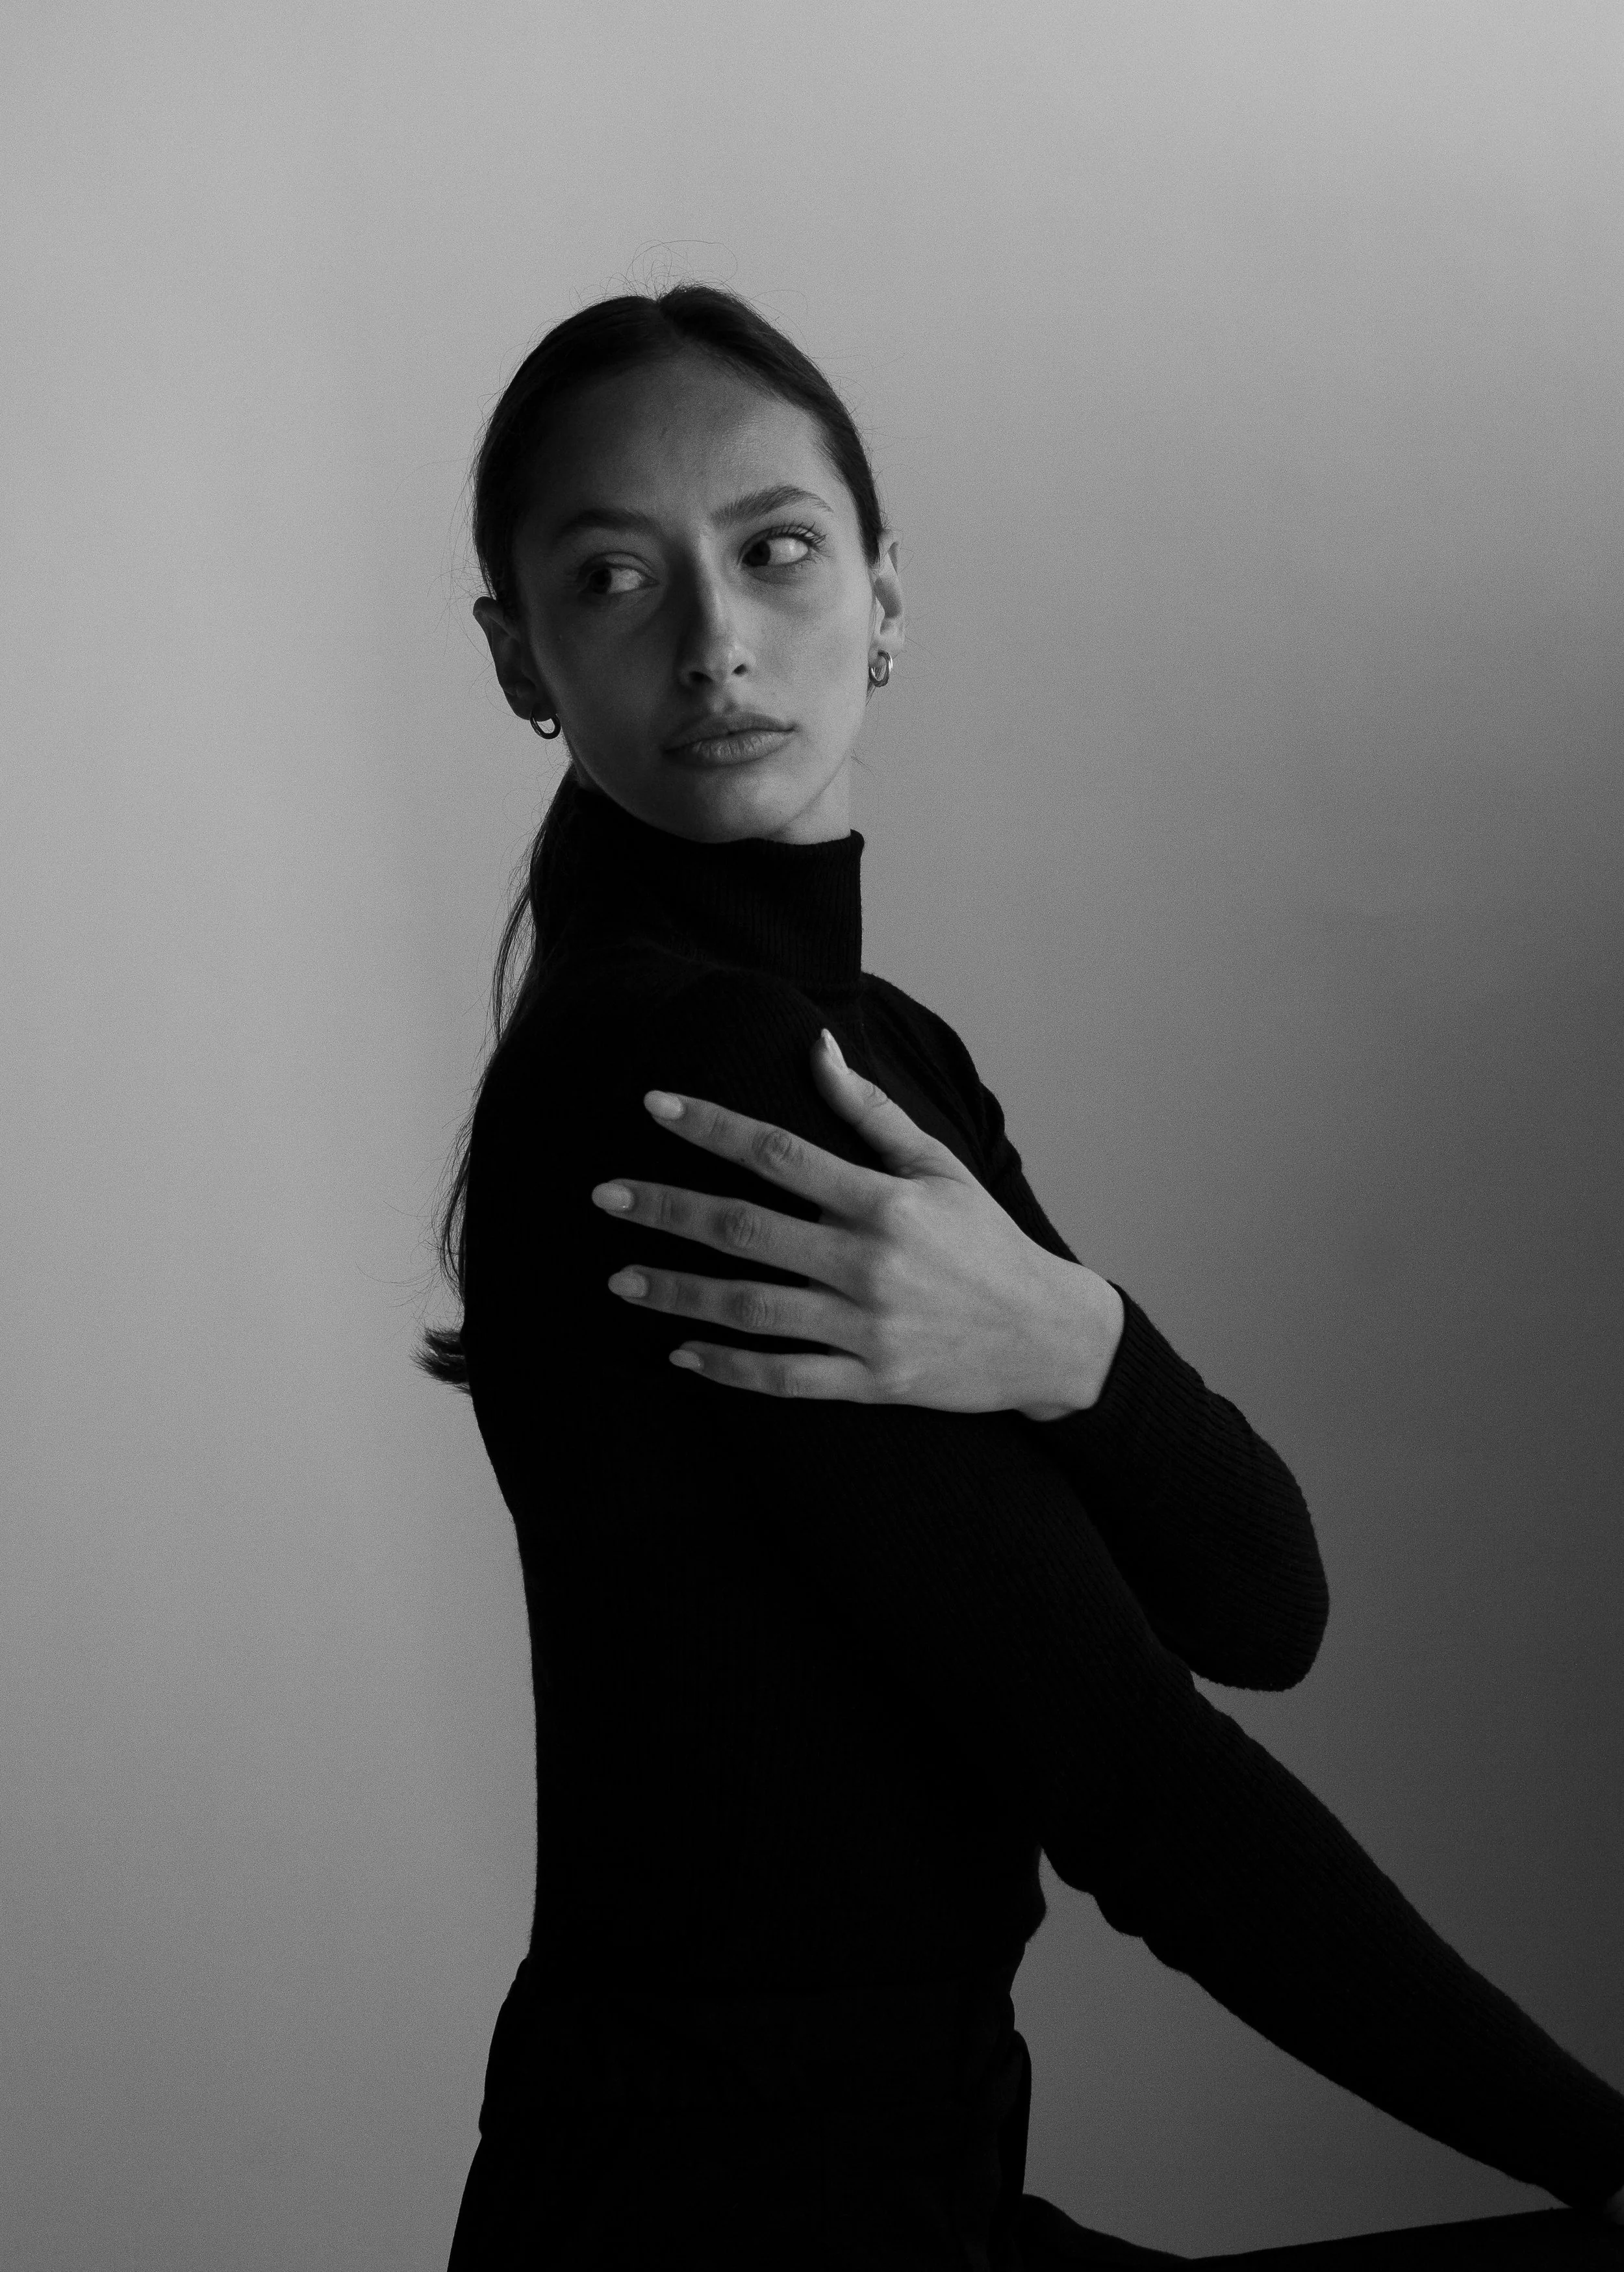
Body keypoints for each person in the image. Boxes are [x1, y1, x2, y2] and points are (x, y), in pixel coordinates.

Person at [418, 287, 1624, 2267]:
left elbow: (1259, 1601)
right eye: (613, 576)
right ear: (518, 659)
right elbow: (1131, 1775)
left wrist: (1079, 1343)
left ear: (885, 596)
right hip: (721, 2223)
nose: (716, 638)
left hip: (884, 2192)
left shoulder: (877, 1048)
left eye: (776, 550)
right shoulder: (688, 1072)